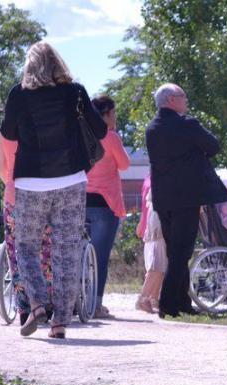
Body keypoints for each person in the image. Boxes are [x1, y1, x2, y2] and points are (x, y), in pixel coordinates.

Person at [0, 41, 107, 339]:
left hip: (30, 182)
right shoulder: (75, 92)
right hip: (71, 180)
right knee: (66, 251)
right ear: (59, 63)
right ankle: (59, 323)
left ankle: (36, 304)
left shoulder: (18, 94)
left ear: (29, 66)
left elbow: (8, 132)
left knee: (26, 247)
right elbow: (100, 131)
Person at [145, 83, 227, 318]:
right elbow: (213, 146)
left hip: (163, 199)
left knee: (175, 251)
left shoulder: (152, 128)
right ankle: (167, 303)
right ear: (171, 100)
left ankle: (182, 302)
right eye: (183, 96)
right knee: (182, 252)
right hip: (187, 198)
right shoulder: (188, 125)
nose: (186, 100)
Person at [0, 133, 53, 326]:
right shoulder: (41, 124)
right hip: (41, 195)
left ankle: (24, 307)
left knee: (16, 252)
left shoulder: (3, 133)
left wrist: (11, 182)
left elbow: (1, 169)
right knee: (45, 249)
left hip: (14, 197)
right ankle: (46, 302)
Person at [86, 95, 131, 319]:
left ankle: (76, 302)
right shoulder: (110, 137)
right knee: (99, 258)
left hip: (81, 202)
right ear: (105, 115)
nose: (115, 116)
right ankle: (95, 305)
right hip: (105, 204)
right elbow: (124, 165)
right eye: (113, 112)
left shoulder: (81, 134)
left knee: (77, 255)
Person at [136, 174, 166, 314]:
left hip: (157, 218)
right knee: (157, 264)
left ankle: (152, 298)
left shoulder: (154, 174)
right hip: (160, 220)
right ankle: (143, 298)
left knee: (160, 264)